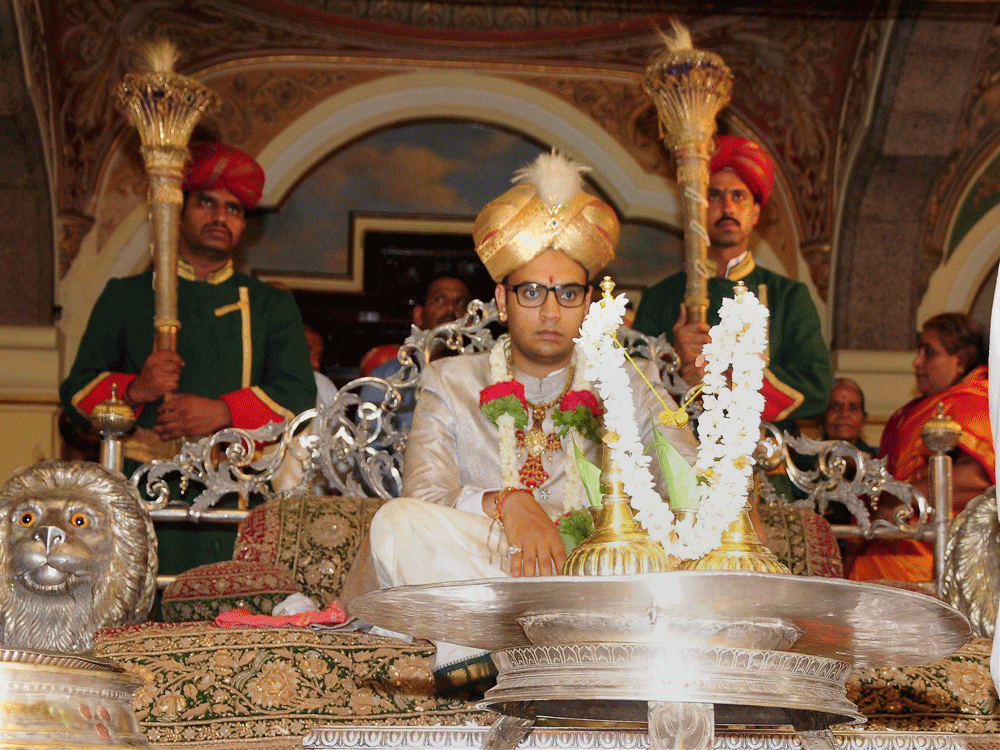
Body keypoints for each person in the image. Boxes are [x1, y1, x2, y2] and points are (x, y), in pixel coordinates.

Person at [368, 152, 699, 688]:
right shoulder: (450, 380)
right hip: (490, 564)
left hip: (594, 573)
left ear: (589, 302)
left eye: (568, 294)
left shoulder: (627, 380)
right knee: (397, 525)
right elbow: (425, 498)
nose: (550, 313)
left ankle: (504, 644)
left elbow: (690, 487)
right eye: (531, 292)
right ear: (502, 298)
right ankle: (491, 650)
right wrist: (509, 504)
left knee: (681, 549)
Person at [60, 142, 317, 573]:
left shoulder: (270, 305)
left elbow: (297, 396)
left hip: (237, 498)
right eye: (207, 203)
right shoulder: (126, 296)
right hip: (139, 493)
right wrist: (136, 388)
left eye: (233, 210)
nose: (220, 217)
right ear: (179, 211)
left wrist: (221, 411)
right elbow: (76, 393)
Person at [632, 135, 833, 428]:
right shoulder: (662, 296)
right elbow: (630, 387)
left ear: (755, 212)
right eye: (713, 195)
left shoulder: (788, 297)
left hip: (762, 465)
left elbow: (817, 387)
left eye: (738, 196)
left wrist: (726, 378)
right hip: (680, 463)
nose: (727, 206)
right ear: (696, 210)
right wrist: (673, 363)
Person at [848, 312, 994, 583]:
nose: (917, 363)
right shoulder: (921, 407)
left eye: (929, 353)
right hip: (902, 537)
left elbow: (979, 479)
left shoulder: (978, 403)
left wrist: (904, 498)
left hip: (937, 552)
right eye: (918, 351)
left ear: (960, 360)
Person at [360, 275, 472, 430]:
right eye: (439, 300)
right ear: (419, 316)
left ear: (471, 320)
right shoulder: (385, 380)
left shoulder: (484, 376)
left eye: (460, 303)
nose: (450, 308)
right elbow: (369, 448)